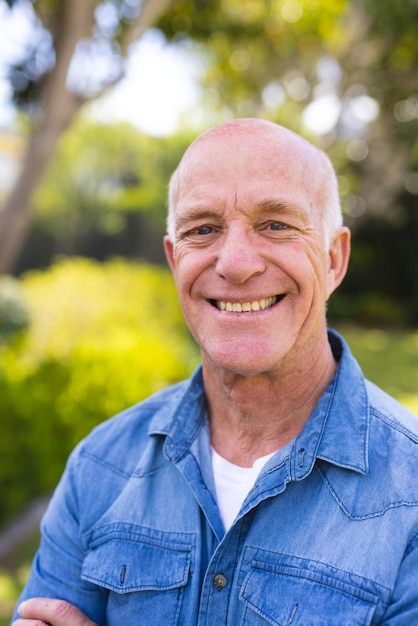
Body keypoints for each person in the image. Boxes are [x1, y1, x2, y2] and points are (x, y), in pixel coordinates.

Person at [12, 118, 418, 626]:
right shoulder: (99, 467)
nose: (236, 263)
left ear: (334, 259)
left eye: (276, 224)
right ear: (173, 258)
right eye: (202, 229)